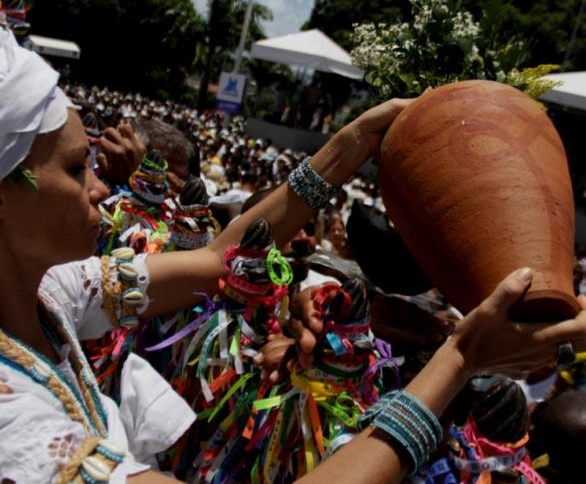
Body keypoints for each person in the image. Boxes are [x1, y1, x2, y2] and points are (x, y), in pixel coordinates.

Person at [2, 25, 586, 484]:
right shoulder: (15, 430)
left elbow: (217, 262)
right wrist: (460, 358)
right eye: (79, 169)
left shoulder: (55, 290)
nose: (104, 188)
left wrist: (350, 144)